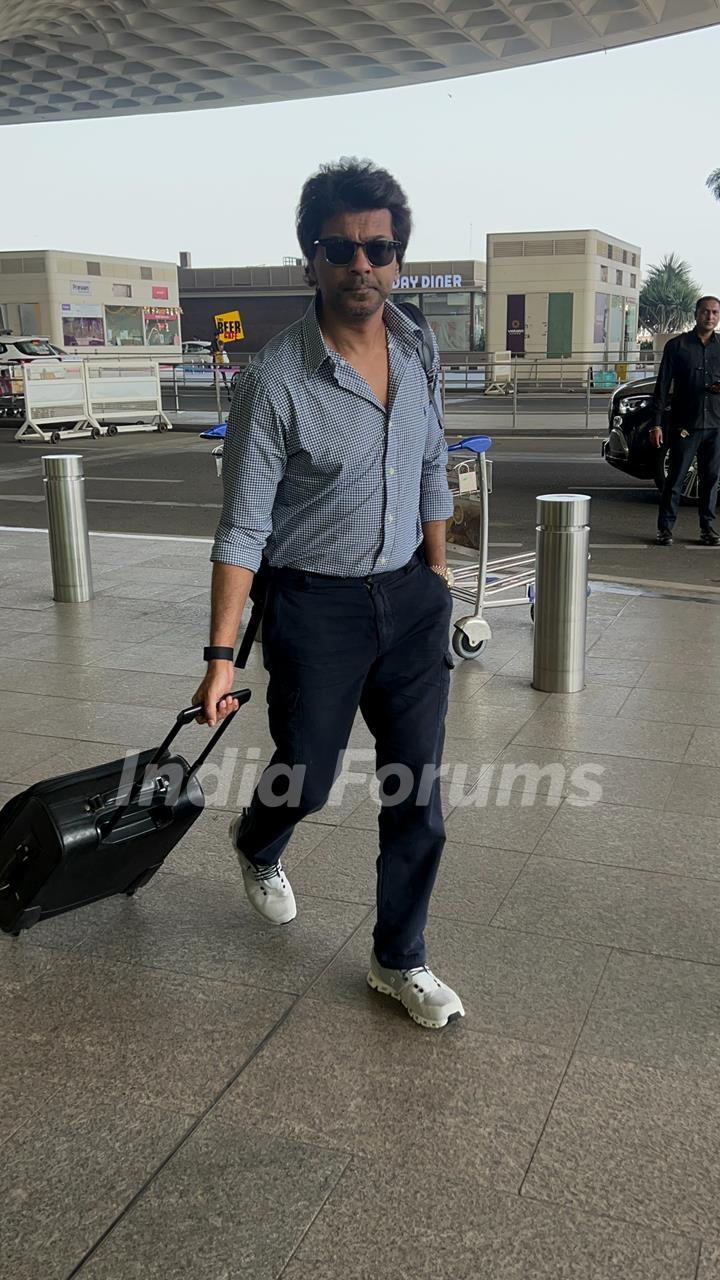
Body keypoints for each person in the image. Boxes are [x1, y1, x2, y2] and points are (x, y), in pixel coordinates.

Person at [192, 158, 464, 1030]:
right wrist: (218, 660)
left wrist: (438, 575)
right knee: (303, 776)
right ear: (309, 256)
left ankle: (400, 959)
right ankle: (259, 843)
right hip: (317, 606)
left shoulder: (418, 346)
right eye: (341, 248)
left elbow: (431, 467)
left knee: (415, 789)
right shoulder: (275, 379)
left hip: (411, 601)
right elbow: (241, 528)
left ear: (399, 257)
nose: (362, 266)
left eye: (379, 249)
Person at [653, 296, 720, 546]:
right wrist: (657, 424)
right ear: (696, 314)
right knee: (675, 478)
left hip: (715, 425)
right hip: (685, 425)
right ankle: (665, 529)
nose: (710, 317)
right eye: (705, 312)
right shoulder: (677, 346)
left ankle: (707, 528)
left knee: (711, 480)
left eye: (714, 312)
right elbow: (661, 386)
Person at [210, 329, 231, 399]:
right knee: (216, 370)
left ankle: (225, 382)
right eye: (216, 335)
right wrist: (212, 352)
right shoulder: (213, 342)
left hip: (219, 357)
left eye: (217, 335)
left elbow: (221, 349)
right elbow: (212, 349)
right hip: (216, 357)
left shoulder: (220, 341)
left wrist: (219, 346)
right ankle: (215, 381)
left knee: (222, 370)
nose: (216, 336)